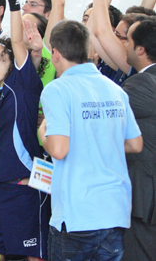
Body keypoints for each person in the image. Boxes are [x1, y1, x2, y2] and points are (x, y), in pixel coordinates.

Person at [39, 18, 142, 259]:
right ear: (88, 50)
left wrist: (43, 132)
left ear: (55, 53)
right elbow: (135, 143)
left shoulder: (58, 89)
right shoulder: (114, 88)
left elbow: (59, 149)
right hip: (114, 211)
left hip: (78, 215)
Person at [0, 0, 48, 260]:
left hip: (20, 189)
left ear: (13, 62)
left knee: (31, 254)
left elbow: (17, 42)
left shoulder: (23, 85)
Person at [121, 19, 156, 261]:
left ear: (140, 49)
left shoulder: (142, 83)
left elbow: (106, 117)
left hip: (145, 197)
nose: (122, 45)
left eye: (126, 40)